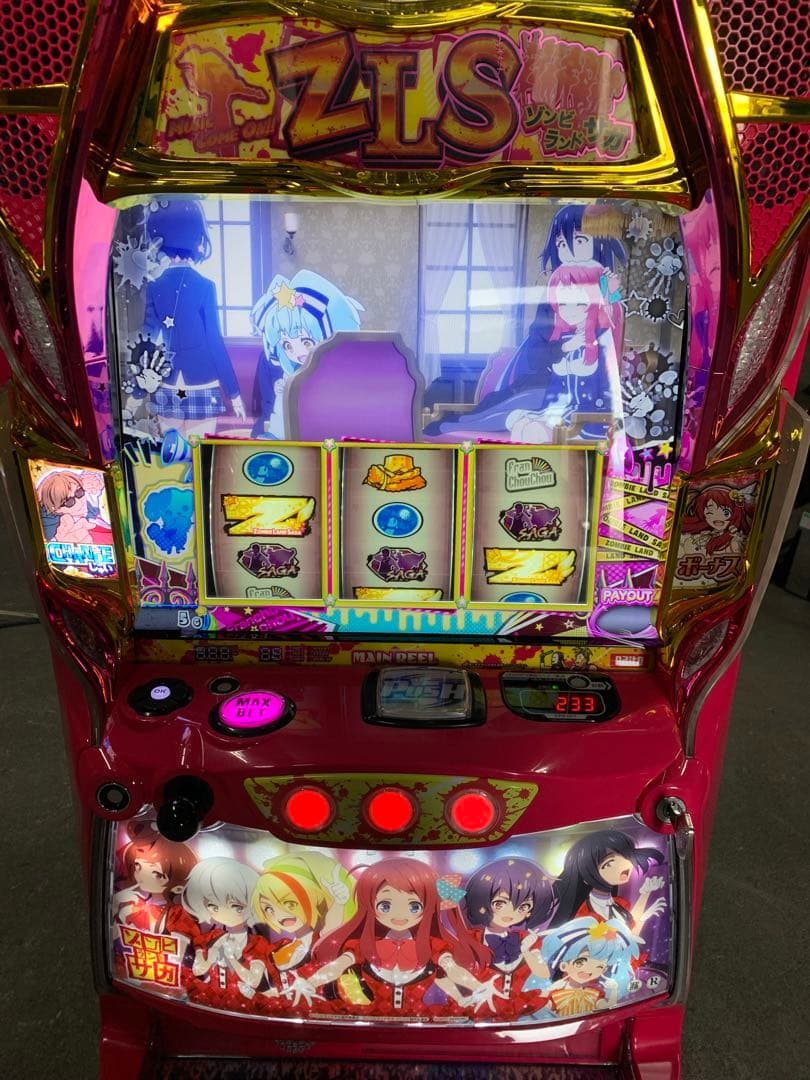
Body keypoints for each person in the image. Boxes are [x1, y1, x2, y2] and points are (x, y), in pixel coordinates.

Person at [292, 857, 501, 1017]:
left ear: (428, 907)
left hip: (422, 1028)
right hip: (367, 1026)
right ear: (369, 904)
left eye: (414, 906)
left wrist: (478, 987)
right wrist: (310, 982)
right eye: (385, 905)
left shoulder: (433, 946)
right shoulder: (363, 945)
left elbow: (453, 971)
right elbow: (336, 967)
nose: (399, 915)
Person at [139, 199, 245, 436]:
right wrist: (234, 393)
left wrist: (137, 391)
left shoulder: (155, 287)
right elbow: (215, 343)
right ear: (196, 239)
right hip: (202, 381)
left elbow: (147, 340)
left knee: (172, 453)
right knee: (199, 453)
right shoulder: (205, 286)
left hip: (167, 381)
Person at [250, 269, 363, 438]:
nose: (298, 352)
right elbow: (268, 409)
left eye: (307, 342)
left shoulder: (345, 370)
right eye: (287, 345)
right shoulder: (274, 364)